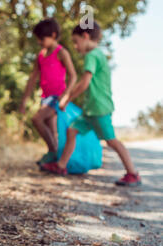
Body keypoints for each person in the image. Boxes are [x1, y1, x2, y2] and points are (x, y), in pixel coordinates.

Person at [41, 21, 142, 187]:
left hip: (99, 109)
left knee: (111, 141)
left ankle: (133, 173)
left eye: (76, 41)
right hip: (90, 110)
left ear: (85, 36)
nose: (75, 46)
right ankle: (61, 166)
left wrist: (68, 98)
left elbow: (85, 83)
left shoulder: (92, 55)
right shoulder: (98, 55)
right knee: (72, 130)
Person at [20, 18, 77, 165]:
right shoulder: (40, 55)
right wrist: (25, 99)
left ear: (53, 35)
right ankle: (54, 158)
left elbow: (73, 75)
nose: (39, 42)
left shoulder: (62, 53)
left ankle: (53, 152)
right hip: (45, 97)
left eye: (42, 38)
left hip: (57, 97)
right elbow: (33, 78)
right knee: (51, 131)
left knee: (37, 119)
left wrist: (66, 95)